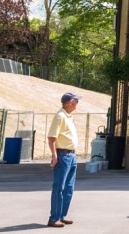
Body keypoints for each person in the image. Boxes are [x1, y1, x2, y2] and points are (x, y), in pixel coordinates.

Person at [47, 92, 81, 228]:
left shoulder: (69, 117)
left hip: (71, 156)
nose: (77, 104)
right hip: (63, 156)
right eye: (75, 101)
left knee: (69, 188)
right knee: (59, 188)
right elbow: (51, 138)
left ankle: (61, 216)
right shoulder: (60, 116)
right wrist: (54, 156)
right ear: (69, 102)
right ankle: (54, 218)